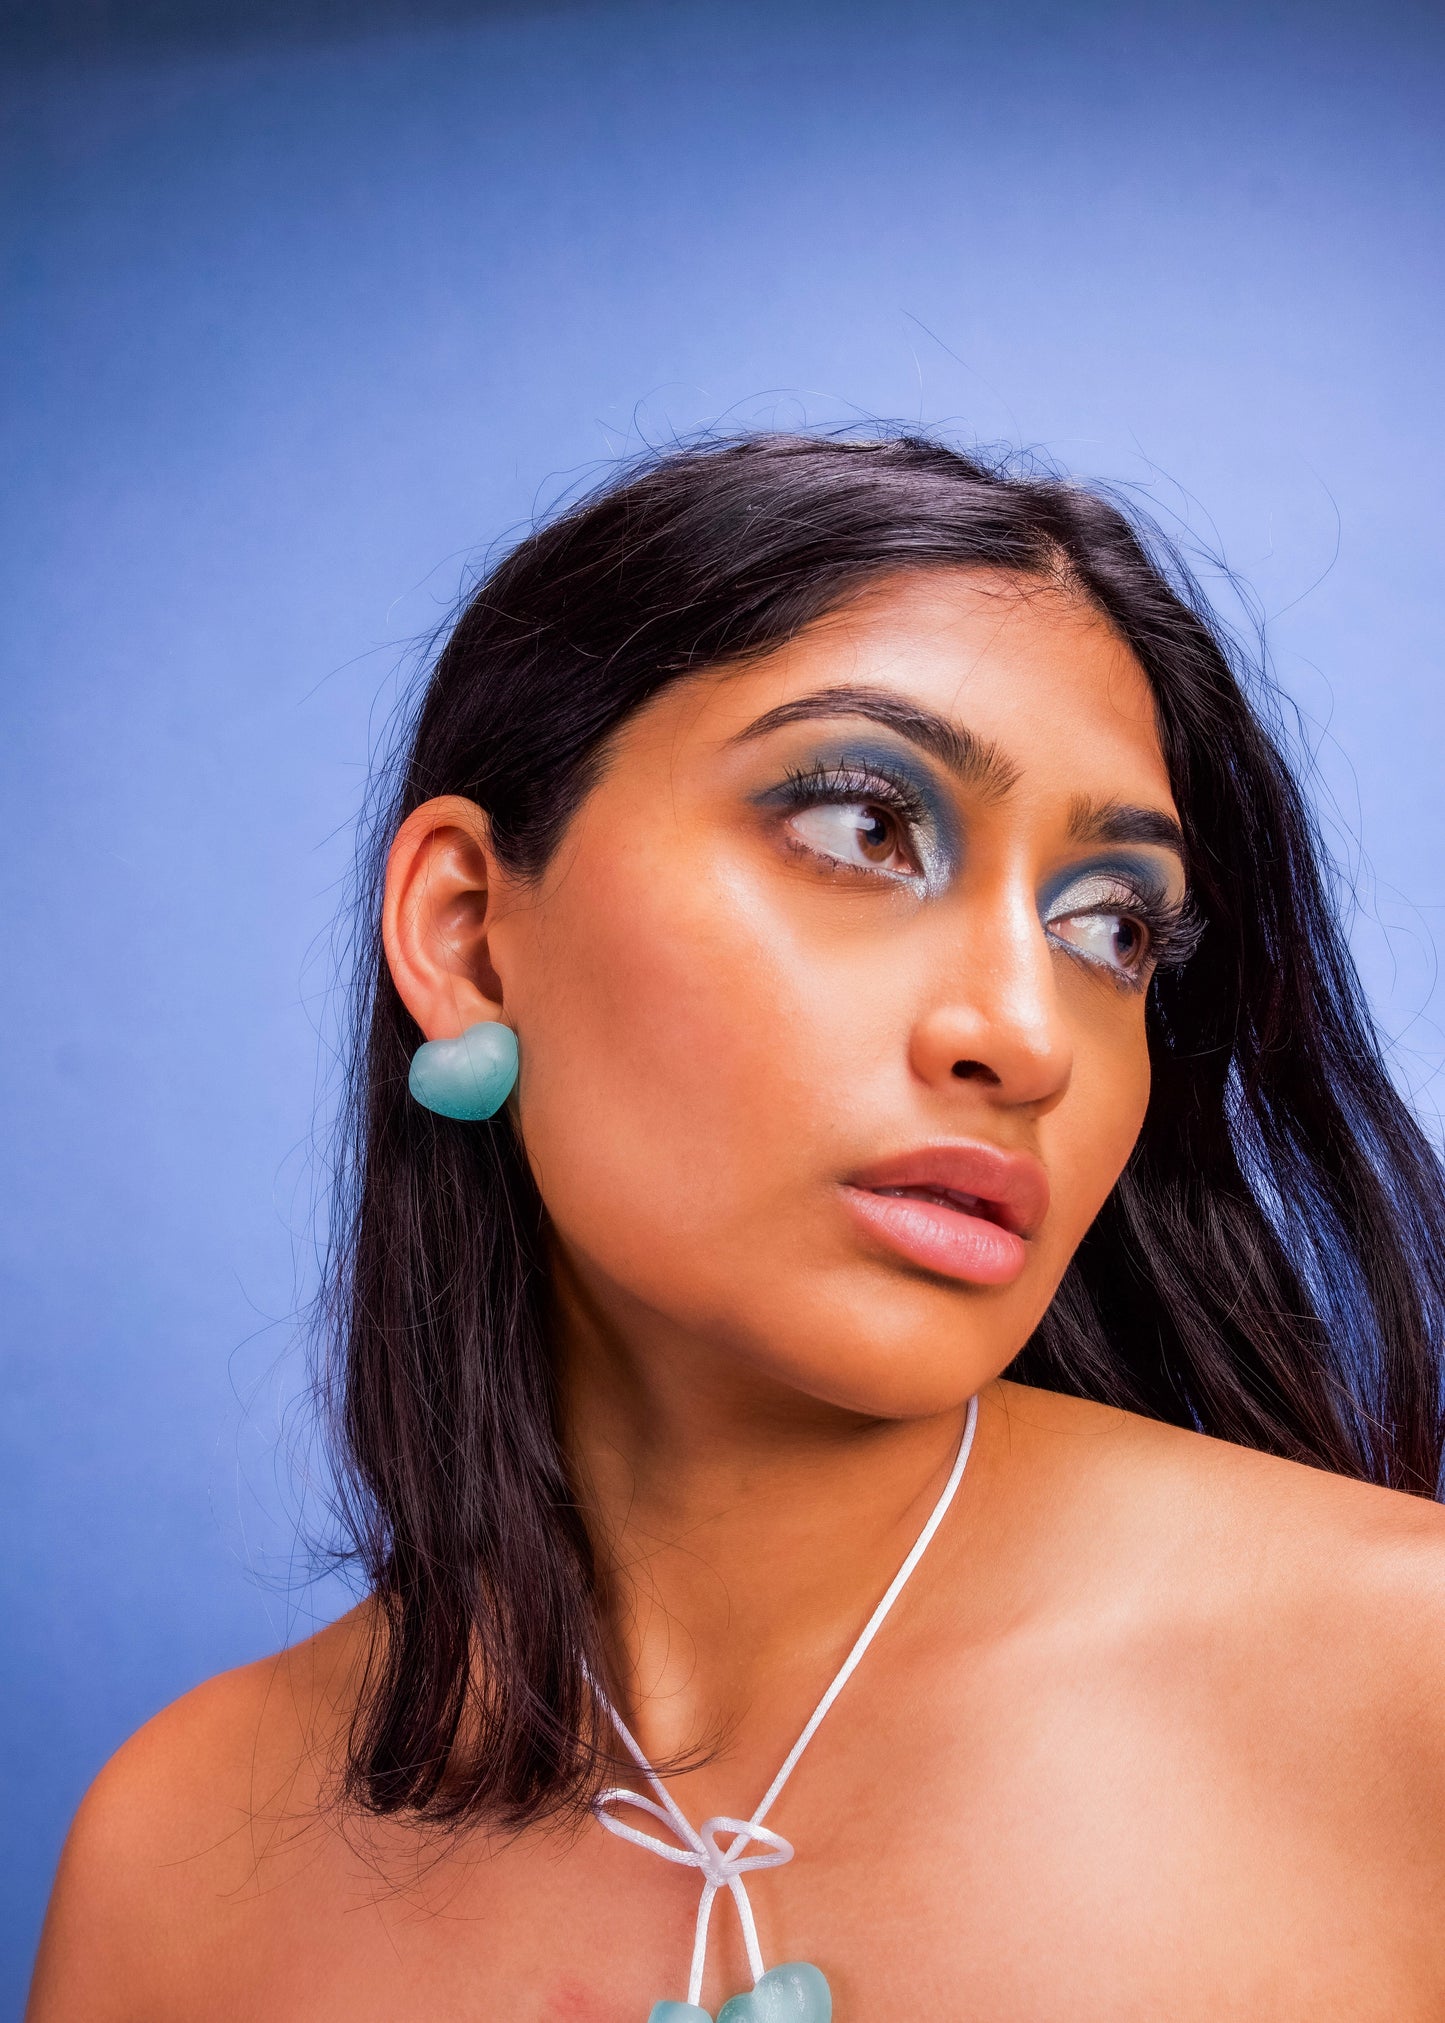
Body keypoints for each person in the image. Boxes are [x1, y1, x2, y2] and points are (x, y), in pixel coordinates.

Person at [27, 433, 1445, 2021]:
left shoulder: (1408, 1693)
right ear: (470, 941)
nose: (1024, 1033)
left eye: (1109, 927)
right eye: (862, 828)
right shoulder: (179, 1857)